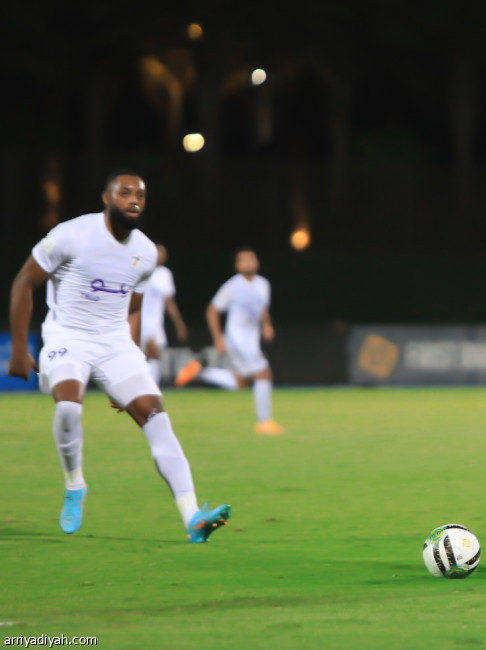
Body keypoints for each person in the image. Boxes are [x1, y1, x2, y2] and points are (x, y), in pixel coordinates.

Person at [6, 169, 230, 542]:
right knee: (68, 407)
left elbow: (133, 310)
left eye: (140, 194)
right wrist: (18, 348)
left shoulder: (145, 252)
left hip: (114, 344)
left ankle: (193, 517)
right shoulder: (71, 234)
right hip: (68, 336)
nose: (134, 199)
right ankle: (75, 484)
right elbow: (23, 282)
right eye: (125, 193)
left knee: (158, 420)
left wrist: (130, 366)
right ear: (106, 198)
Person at [175, 247, 283, 435]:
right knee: (264, 373)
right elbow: (212, 310)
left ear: (257, 263)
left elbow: (263, 309)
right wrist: (218, 338)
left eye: (251, 259)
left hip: (252, 338)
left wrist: (267, 325)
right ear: (237, 266)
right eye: (243, 260)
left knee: (241, 382)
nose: (248, 263)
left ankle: (199, 372)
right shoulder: (232, 286)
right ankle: (264, 422)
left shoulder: (264, 284)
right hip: (237, 337)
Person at [140, 244, 188, 385]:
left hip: (154, 323)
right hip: (137, 320)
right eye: (157, 251)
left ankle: (151, 387)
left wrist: (179, 325)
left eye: (163, 252)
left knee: (154, 354)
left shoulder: (164, 274)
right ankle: (145, 387)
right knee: (142, 356)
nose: (160, 255)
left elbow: (168, 302)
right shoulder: (140, 271)